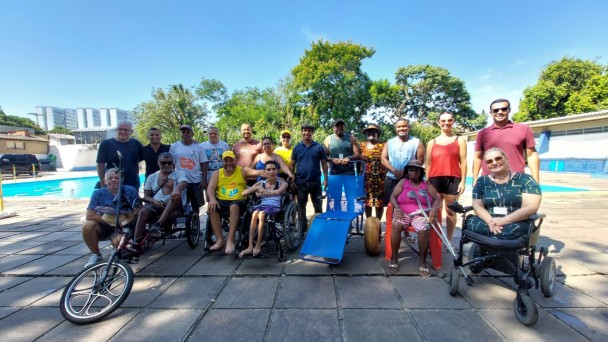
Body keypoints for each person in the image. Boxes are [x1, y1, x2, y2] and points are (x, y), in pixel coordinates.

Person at [467, 147, 542, 239]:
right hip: (489, 220)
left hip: (516, 221)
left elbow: (531, 207)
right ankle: (491, 243)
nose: (494, 163)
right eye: (489, 161)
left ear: (506, 158)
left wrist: (503, 221)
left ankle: (494, 245)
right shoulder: (481, 181)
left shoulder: (525, 180)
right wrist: (491, 222)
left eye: (498, 158)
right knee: (470, 224)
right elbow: (477, 205)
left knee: (508, 232)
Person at [388, 160, 440, 276]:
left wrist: (433, 210)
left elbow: (437, 199)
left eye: (416, 170)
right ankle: (394, 257)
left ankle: (422, 262)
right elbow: (393, 196)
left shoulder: (426, 184)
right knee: (396, 225)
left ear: (420, 172)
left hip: (420, 213)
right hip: (404, 213)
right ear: (407, 171)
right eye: (411, 170)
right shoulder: (403, 182)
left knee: (423, 229)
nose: (413, 172)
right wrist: (397, 208)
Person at [207, 151, 264, 255]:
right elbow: (210, 188)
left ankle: (230, 240)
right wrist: (212, 199)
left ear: (235, 161)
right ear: (222, 162)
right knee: (212, 208)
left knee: (233, 207)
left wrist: (276, 174)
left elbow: (261, 172)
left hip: (238, 201)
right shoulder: (217, 173)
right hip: (221, 200)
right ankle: (219, 240)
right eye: (226, 161)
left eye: (231, 160)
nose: (229, 163)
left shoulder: (243, 171)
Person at [473, 99, 540, 186]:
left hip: (516, 181)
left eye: (504, 109)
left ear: (509, 110)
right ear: (491, 113)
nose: (500, 112)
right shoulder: (483, 133)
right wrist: (475, 179)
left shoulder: (524, 129)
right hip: (489, 182)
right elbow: (477, 157)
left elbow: (531, 155)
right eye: (496, 110)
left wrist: (536, 180)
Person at [82, 169, 140, 268]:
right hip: (104, 224)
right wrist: (110, 221)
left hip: (122, 225)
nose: (113, 180)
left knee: (117, 243)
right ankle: (96, 255)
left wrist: (128, 217)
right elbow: (89, 215)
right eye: (110, 178)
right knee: (87, 226)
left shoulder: (130, 191)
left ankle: (117, 253)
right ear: (105, 181)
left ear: (122, 179)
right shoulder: (98, 193)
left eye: (116, 178)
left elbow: (138, 209)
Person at [425, 112, 467, 248]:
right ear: (438, 122)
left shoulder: (459, 140)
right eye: (443, 120)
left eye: (449, 120)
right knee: (435, 210)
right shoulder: (432, 142)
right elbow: (428, 163)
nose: (446, 123)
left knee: (450, 211)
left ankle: (448, 239)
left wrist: (463, 181)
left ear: (453, 121)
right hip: (434, 179)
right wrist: (427, 181)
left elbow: (464, 162)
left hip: (452, 178)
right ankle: (434, 240)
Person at [133, 152, 187, 242]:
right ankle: (136, 241)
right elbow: (146, 196)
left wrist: (176, 189)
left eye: (169, 163)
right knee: (143, 211)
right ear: (158, 163)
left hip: (174, 205)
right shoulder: (152, 177)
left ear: (173, 164)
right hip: (156, 204)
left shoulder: (179, 174)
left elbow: (183, 183)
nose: (166, 165)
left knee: (176, 196)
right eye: (163, 163)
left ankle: (159, 224)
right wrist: (154, 201)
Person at [239, 160, 288, 258]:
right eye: (268, 170)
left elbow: (278, 192)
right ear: (264, 172)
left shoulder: (282, 182)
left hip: (274, 207)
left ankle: (258, 246)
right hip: (262, 206)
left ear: (277, 170)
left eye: (274, 169)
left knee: (260, 214)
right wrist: (257, 189)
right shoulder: (261, 183)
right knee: (254, 213)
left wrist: (262, 192)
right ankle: (250, 247)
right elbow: (243, 193)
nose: (271, 172)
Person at [381, 118, 425, 205]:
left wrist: (404, 171)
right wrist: (394, 171)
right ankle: (392, 219)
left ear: (409, 127)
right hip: (392, 176)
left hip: (410, 178)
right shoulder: (389, 142)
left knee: (409, 203)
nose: (401, 129)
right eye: (399, 127)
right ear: (395, 128)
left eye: (404, 126)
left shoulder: (417, 142)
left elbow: (420, 161)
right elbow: (383, 159)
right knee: (391, 204)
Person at [290, 123, 328, 217]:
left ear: (312, 133)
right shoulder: (296, 148)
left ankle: (318, 230)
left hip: (315, 183)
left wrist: (326, 179)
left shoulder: (319, 147)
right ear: (301, 132)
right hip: (301, 183)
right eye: (305, 130)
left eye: (309, 131)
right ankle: (302, 230)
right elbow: (292, 164)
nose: (307, 132)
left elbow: (324, 163)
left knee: (318, 207)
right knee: (301, 208)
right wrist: (292, 179)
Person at [169, 125, 208, 214]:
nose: (185, 134)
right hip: (180, 182)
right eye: (183, 132)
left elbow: (204, 163)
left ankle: (195, 225)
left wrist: (204, 180)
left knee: (196, 206)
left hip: (196, 181)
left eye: (188, 132)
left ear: (192, 134)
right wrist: (171, 180)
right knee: (181, 206)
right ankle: (184, 226)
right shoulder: (174, 146)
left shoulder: (199, 147)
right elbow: (172, 164)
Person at [324, 118, 361, 211]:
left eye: (341, 126)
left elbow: (358, 155)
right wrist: (332, 159)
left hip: (349, 174)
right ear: (333, 127)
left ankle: (349, 222)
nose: (340, 128)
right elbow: (324, 157)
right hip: (335, 174)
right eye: (337, 126)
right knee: (336, 198)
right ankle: (337, 219)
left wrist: (350, 158)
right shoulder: (328, 139)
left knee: (351, 198)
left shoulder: (351, 138)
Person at [96, 121, 144, 189]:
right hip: (112, 182)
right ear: (116, 130)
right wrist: (103, 182)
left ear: (131, 132)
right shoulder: (106, 144)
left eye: (126, 130)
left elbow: (142, 159)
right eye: (120, 129)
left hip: (132, 183)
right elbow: (100, 165)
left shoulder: (136, 144)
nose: (122, 131)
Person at [360, 124, 387, 219]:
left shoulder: (383, 145)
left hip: (379, 180)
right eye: (368, 131)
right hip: (366, 180)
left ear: (377, 133)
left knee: (379, 203)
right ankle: (369, 224)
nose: (370, 133)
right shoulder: (362, 146)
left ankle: (378, 225)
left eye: (373, 131)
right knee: (367, 203)